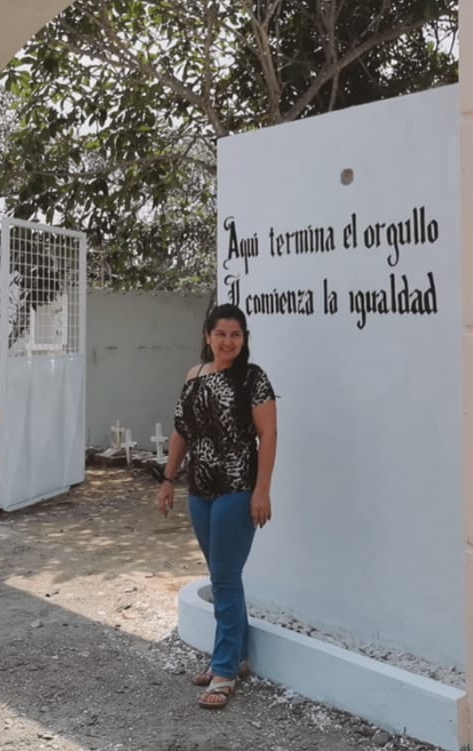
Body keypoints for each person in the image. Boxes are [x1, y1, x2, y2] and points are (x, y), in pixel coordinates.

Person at [156, 302, 278, 710]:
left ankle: (223, 671)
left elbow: (269, 435)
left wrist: (262, 490)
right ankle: (237, 655)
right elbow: (182, 430)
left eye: (236, 334)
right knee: (222, 576)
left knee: (224, 579)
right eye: (221, 334)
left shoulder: (253, 378)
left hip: (237, 489)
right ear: (208, 337)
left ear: (244, 339)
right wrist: (168, 479)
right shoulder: (194, 376)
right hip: (201, 489)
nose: (228, 341)